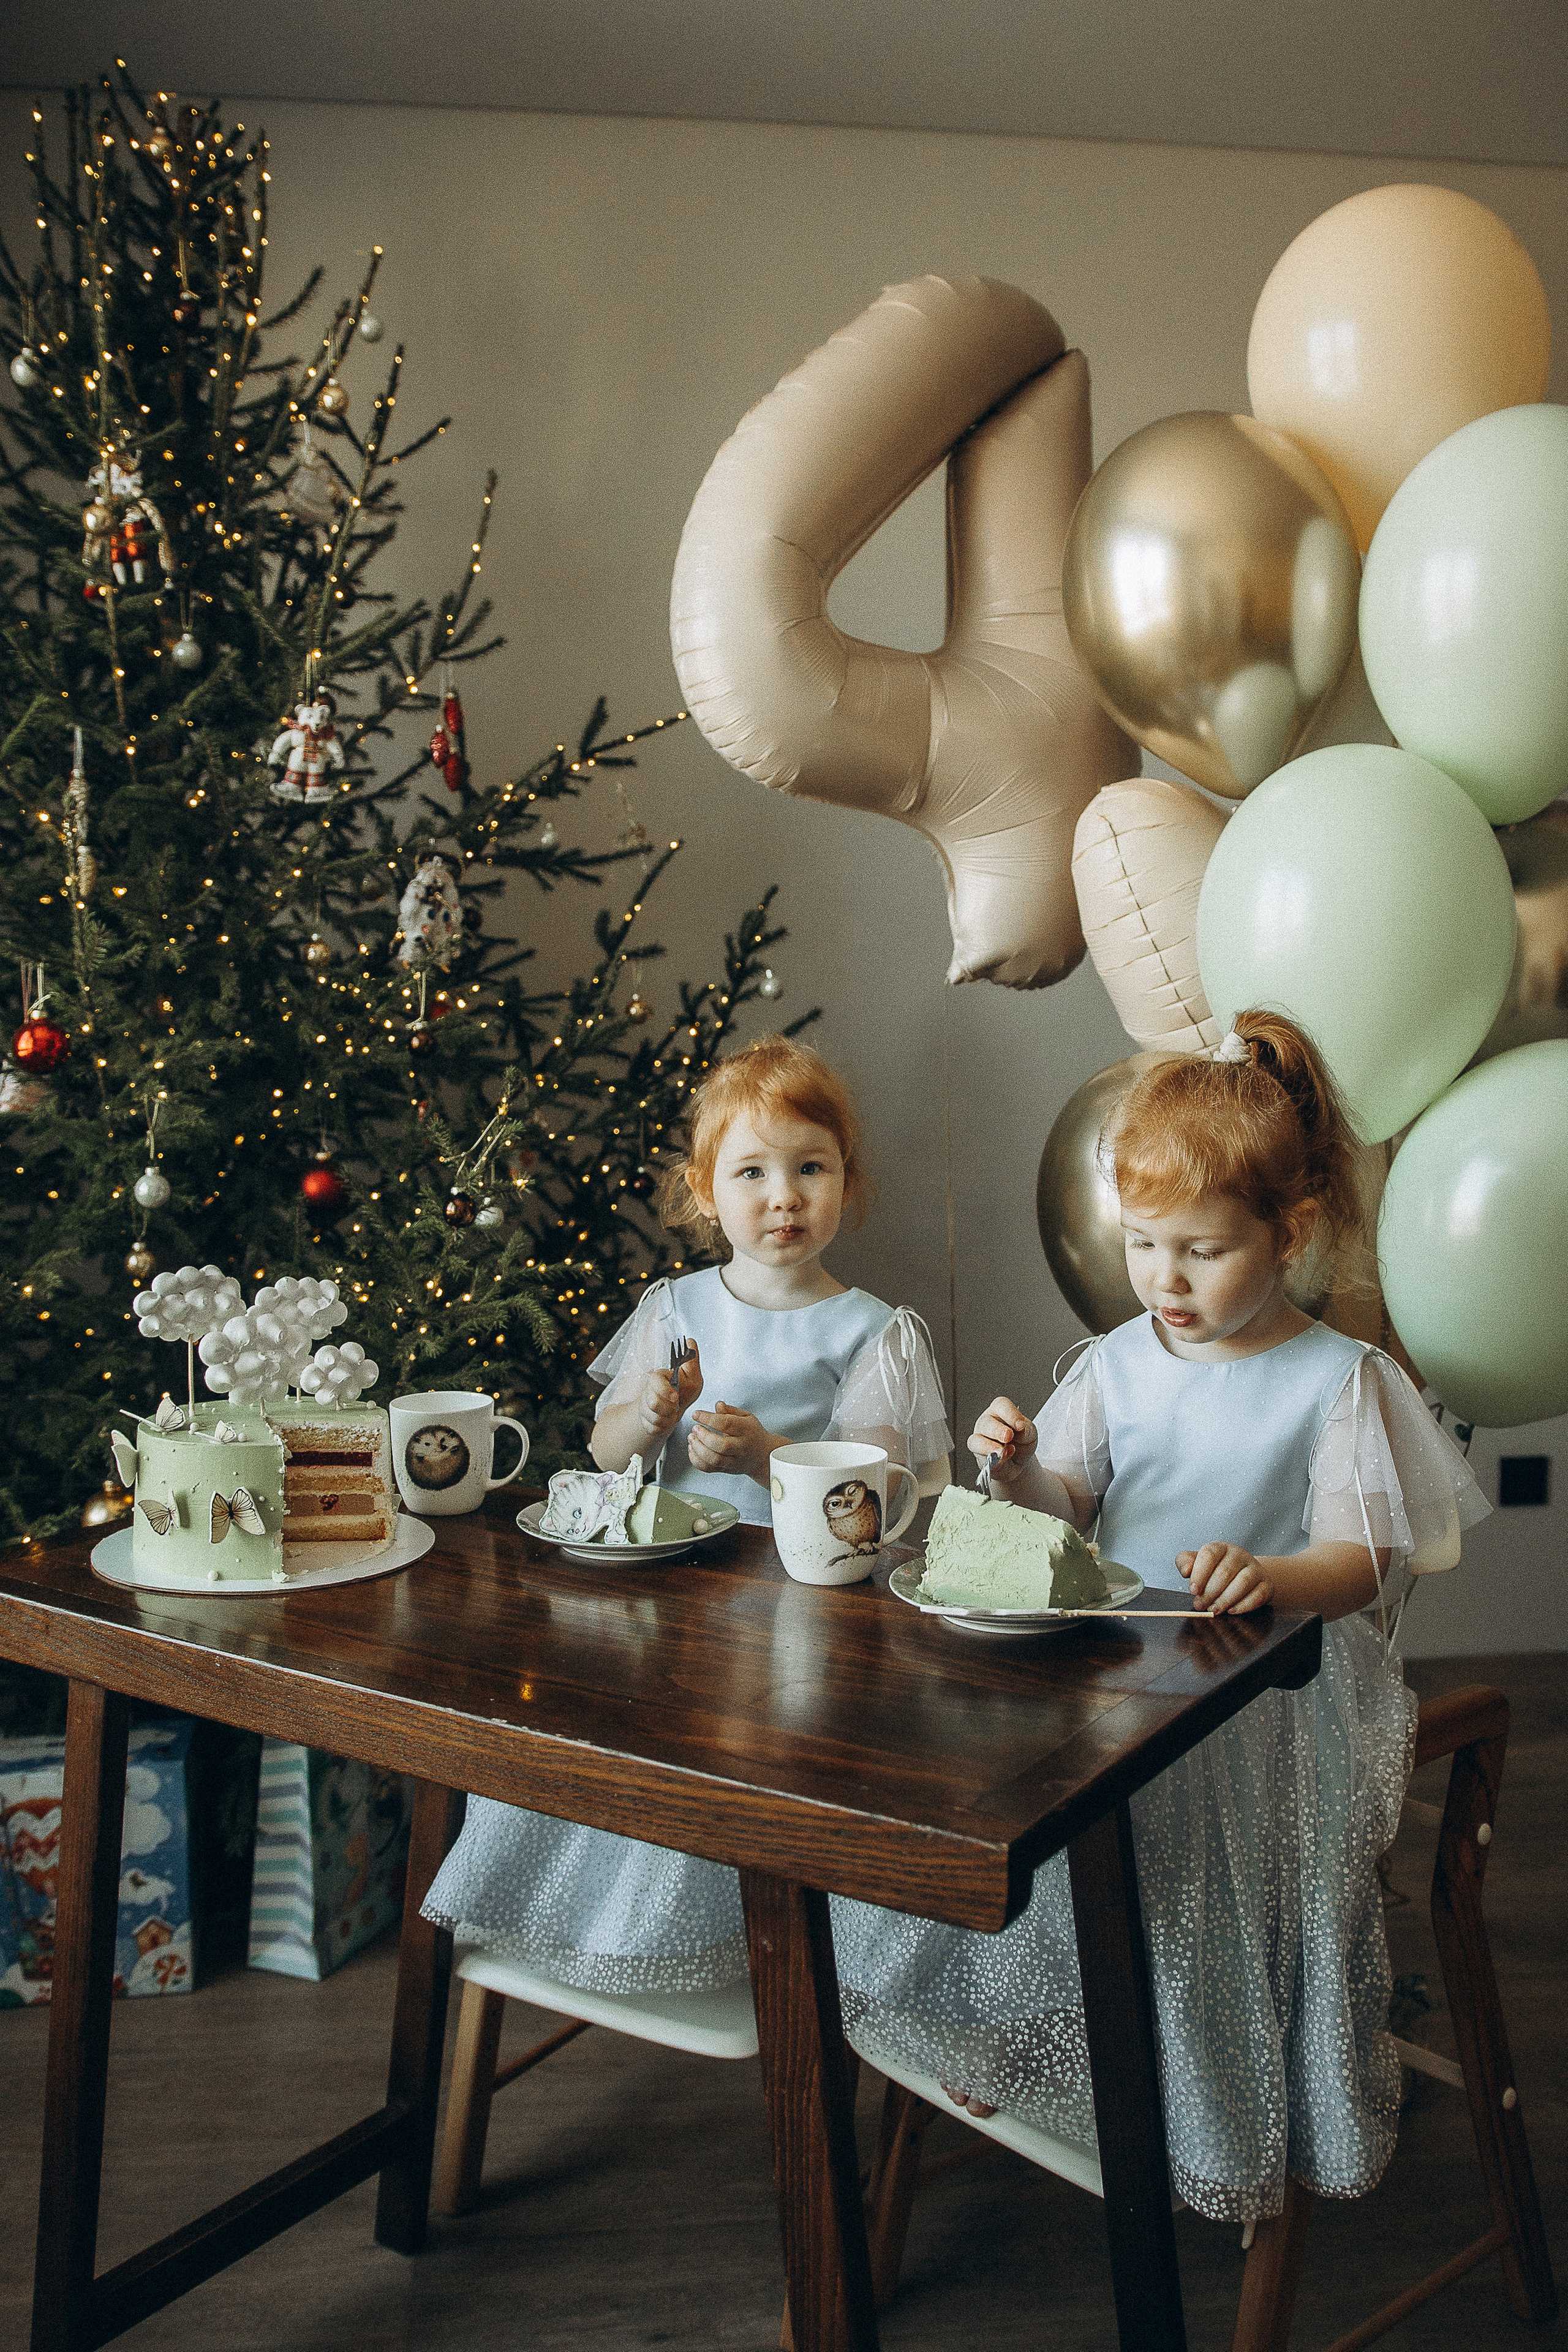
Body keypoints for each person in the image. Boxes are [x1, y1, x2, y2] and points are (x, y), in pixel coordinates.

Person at [830, 1011, 1488, 2226]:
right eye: (1142, 1247)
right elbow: (1066, 1514)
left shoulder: (1333, 1379)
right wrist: (1015, 1469)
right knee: (999, 1790)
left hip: (1261, 1680)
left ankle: (1202, 2087)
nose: (1163, 1283)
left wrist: (1269, 1576)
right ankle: (1013, 2028)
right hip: (1118, 1661)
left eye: (1198, 1251)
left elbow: (1357, 1562)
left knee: (1176, 1834)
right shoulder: (1120, 1362)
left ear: (1287, 1236)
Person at [423, 1033, 950, 1991]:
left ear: (846, 1183)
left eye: (810, 1168)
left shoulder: (871, 1329)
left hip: (802, 1612)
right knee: (659, 1760)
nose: (783, 1196)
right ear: (708, 1193)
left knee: (769, 1766)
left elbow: (871, 1498)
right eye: (752, 1172)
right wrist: (652, 1412)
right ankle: (630, 1935)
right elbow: (607, 1451)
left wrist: (767, 1455)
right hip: (675, 1596)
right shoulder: (676, 1307)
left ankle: (784, 1951)